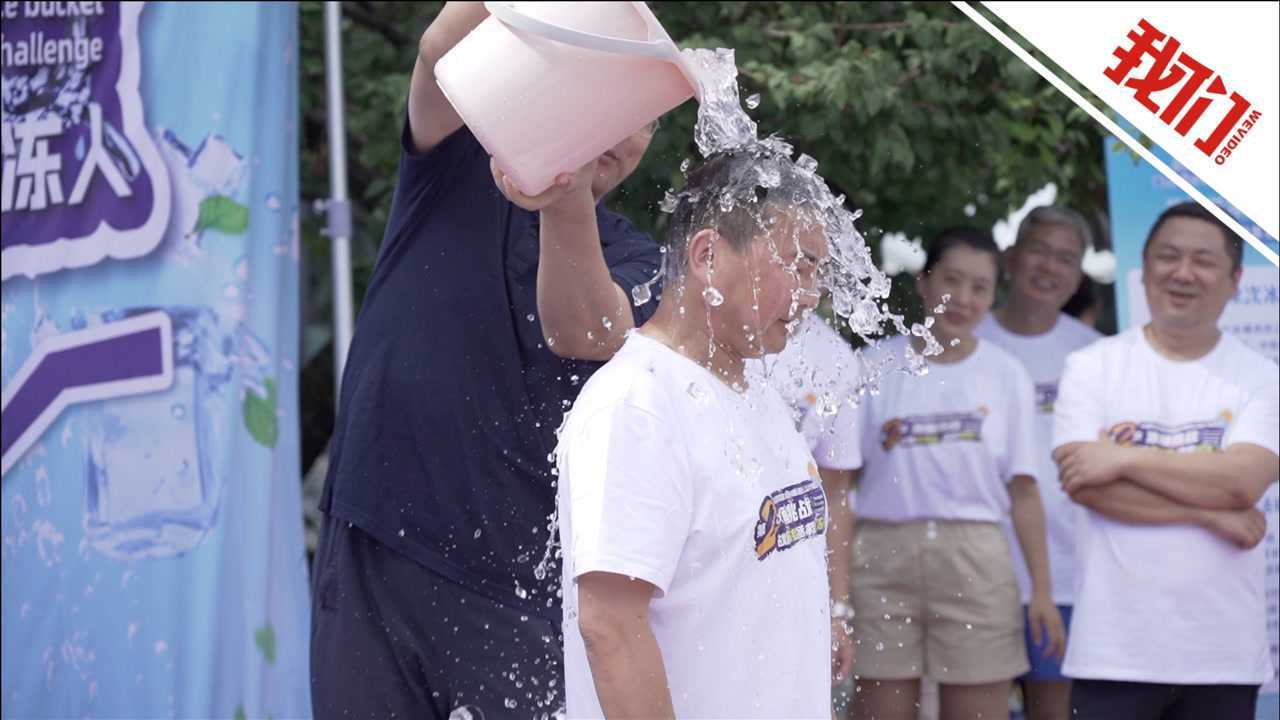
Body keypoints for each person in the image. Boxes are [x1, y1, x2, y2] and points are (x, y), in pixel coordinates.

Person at [309, 3, 665, 717]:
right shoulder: (462, 162)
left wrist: (562, 199)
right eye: (610, 97)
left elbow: (592, 331)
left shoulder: (640, 259)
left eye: (645, 115)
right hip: (372, 539)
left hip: (514, 585)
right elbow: (442, 46)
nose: (623, 134)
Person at [555, 149, 836, 718]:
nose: (811, 295)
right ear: (708, 255)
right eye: (797, 266)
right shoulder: (638, 403)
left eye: (818, 274)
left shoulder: (753, 391)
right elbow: (610, 624)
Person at [1052, 201, 1279, 720]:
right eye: (1168, 256)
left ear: (1235, 278)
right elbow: (1088, 486)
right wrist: (1206, 511)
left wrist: (1121, 459)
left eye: (1202, 260)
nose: (1183, 272)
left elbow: (1242, 483)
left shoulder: (1262, 377)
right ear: (1145, 269)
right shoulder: (1091, 367)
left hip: (1222, 656)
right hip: (1114, 653)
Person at [847, 228, 1065, 720]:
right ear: (923, 283)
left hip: (977, 561)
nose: (963, 299)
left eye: (980, 287)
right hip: (881, 559)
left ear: (992, 295)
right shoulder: (872, 365)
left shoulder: (1006, 374)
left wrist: (1043, 593)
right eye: (952, 281)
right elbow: (840, 484)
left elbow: (1025, 491)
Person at [974, 205, 1101, 720]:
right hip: (978, 573)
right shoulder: (966, 341)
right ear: (1011, 257)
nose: (1050, 267)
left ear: (1078, 275)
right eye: (1040, 251)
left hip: (1070, 573)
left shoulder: (1095, 355)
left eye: (1066, 259)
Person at [752, 312, 864, 698]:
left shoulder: (836, 357)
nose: (803, 282)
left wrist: (838, 610)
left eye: (813, 265)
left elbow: (836, 493)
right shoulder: (717, 324)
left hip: (791, 560)